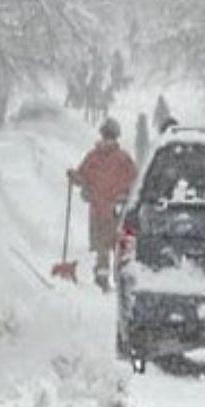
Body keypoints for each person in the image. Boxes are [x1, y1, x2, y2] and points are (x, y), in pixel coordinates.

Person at [67, 117, 137, 292]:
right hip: (116, 210)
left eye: (108, 136)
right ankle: (116, 278)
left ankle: (103, 277)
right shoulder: (123, 159)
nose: (107, 140)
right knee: (119, 246)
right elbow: (135, 182)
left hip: (101, 210)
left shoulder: (93, 157)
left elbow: (82, 178)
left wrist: (74, 177)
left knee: (102, 248)